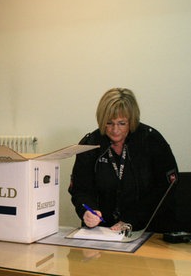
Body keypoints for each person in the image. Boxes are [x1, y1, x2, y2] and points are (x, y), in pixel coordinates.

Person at [69, 88, 178, 233]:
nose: (115, 130)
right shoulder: (90, 143)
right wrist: (86, 211)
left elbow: (165, 189)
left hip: (148, 229)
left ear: (132, 121)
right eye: (109, 123)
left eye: (122, 123)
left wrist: (131, 220)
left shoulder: (151, 141)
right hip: (103, 232)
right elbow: (80, 189)